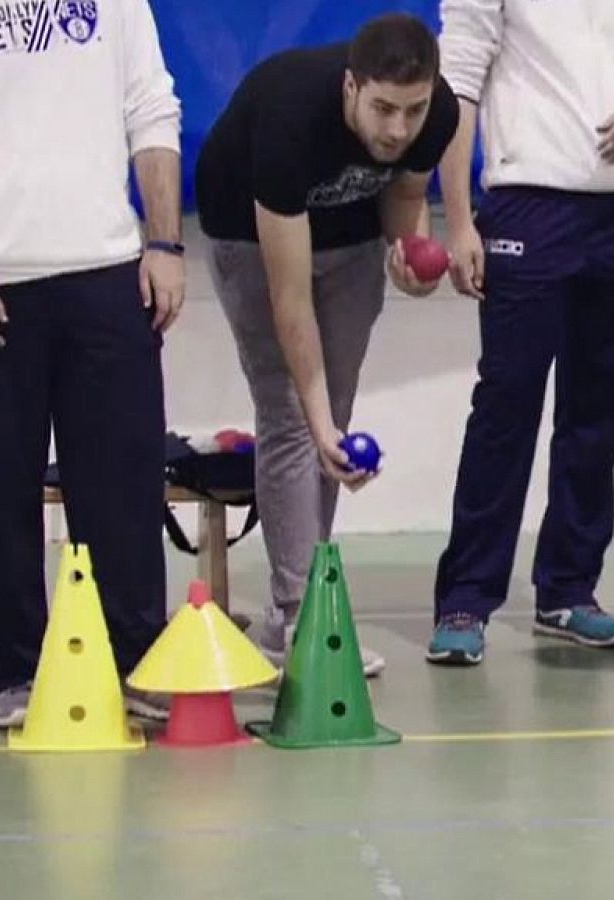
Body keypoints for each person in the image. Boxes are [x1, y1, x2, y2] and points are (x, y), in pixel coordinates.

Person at [425, 0, 614, 664]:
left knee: (598, 408)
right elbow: (457, 83)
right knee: (506, 403)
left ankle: (569, 590)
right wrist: (459, 222)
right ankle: (466, 597)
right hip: (529, 200)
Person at [194, 12, 460, 677]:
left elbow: (404, 205)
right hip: (250, 238)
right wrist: (319, 425)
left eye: (413, 110)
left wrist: (409, 263)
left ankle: (312, 596)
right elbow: (289, 300)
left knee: (331, 421)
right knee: (292, 414)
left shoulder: (439, 115)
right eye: (383, 109)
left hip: (350, 238)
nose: (399, 128)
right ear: (350, 88)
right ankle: (297, 620)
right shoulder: (290, 117)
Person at [0, 0, 184, 727]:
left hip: (107, 268)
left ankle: (132, 662)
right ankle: (17, 670)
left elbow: (152, 109)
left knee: (123, 483)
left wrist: (164, 244)